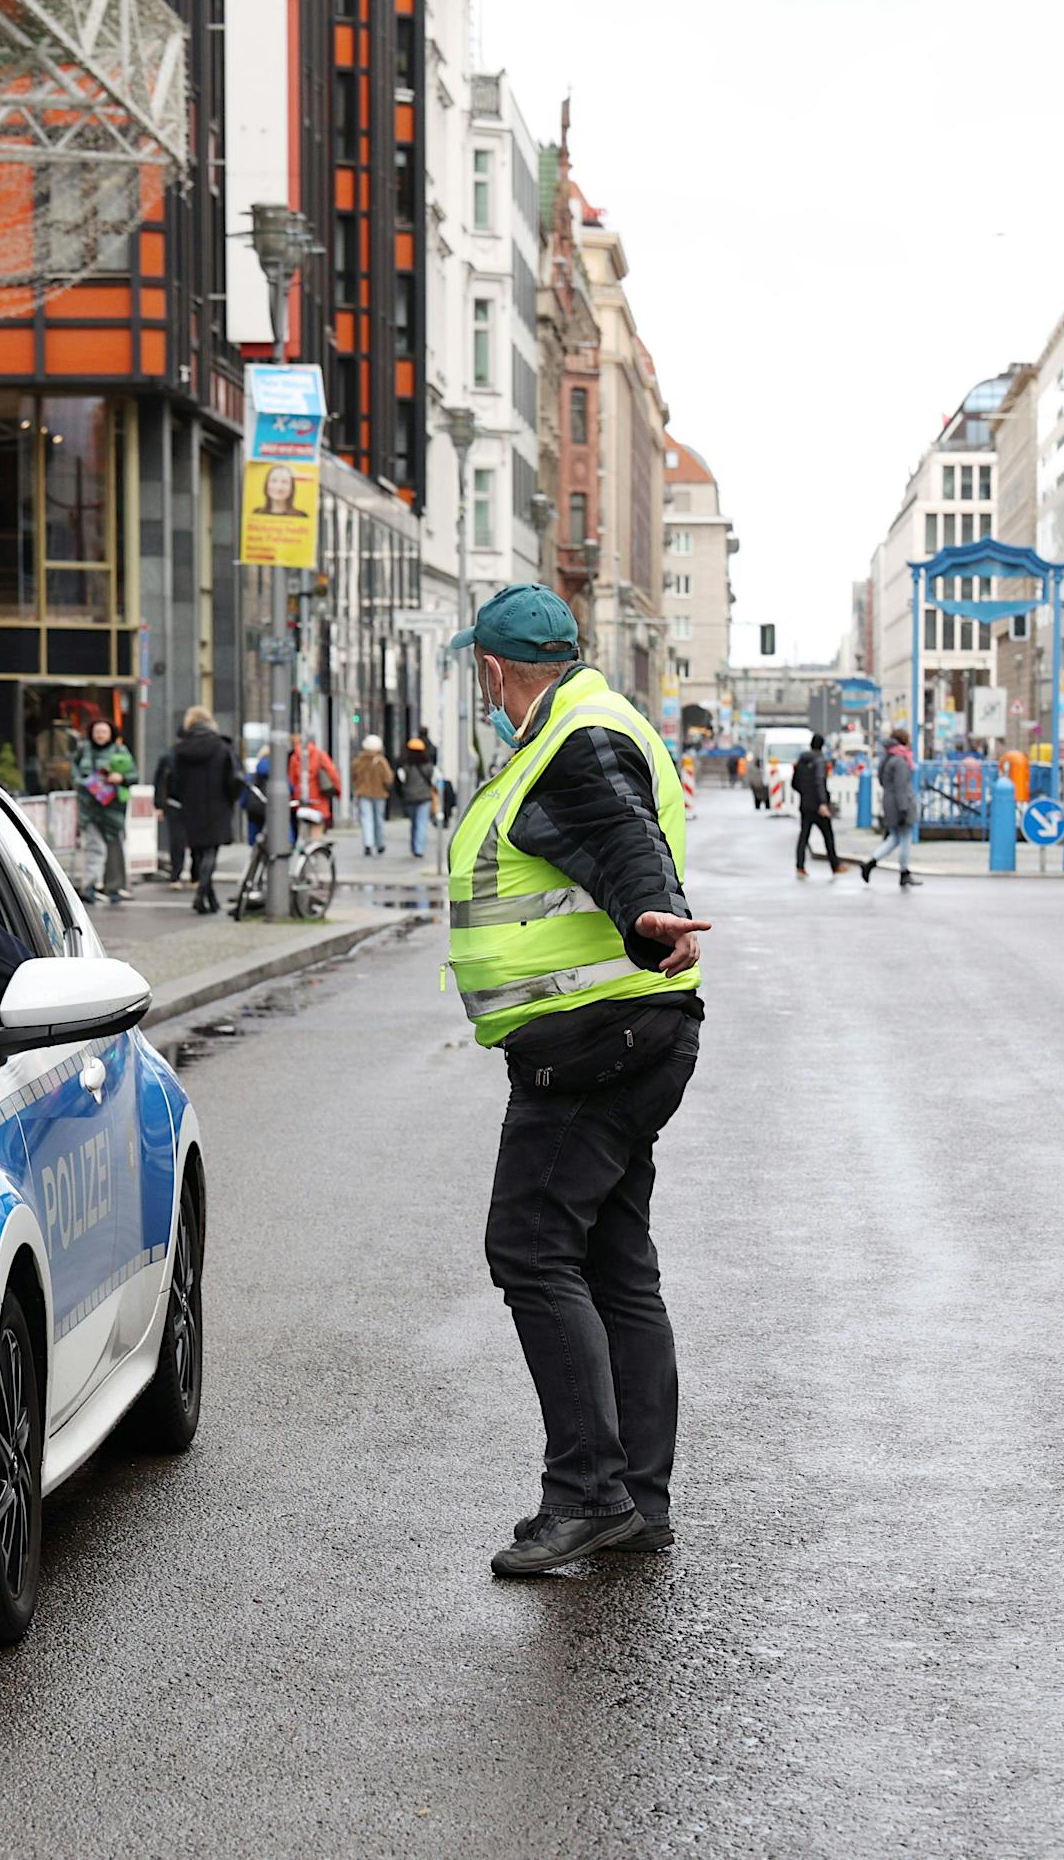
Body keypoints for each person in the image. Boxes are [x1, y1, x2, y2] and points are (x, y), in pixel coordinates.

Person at [442, 582, 710, 1578]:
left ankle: (588, 1495)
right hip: (626, 1033)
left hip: (592, 1044)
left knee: (529, 1248)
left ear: (491, 669)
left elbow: (623, 837)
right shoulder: (584, 723)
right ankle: (634, 1500)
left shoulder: (576, 739)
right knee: (614, 1263)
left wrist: (649, 911)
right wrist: (646, 916)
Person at [168, 705, 243, 915]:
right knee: (211, 850)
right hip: (218, 805)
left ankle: (210, 899)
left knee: (199, 851)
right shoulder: (222, 747)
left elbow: (174, 779)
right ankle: (201, 893)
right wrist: (231, 799)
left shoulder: (181, 749)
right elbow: (234, 778)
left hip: (191, 805)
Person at [73, 717, 137, 905]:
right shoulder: (83, 750)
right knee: (94, 847)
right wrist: (83, 782)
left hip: (113, 807)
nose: (100, 735)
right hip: (90, 807)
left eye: (104, 732)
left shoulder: (120, 751)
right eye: (97, 731)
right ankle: (89, 886)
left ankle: (114, 887)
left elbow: (134, 775)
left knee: (115, 847)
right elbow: (75, 771)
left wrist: (121, 778)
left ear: (111, 734)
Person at [860, 728, 920, 887]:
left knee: (894, 839)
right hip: (900, 803)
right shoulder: (900, 761)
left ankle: (870, 864)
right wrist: (904, 808)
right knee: (905, 839)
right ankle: (904, 872)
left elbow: (882, 780)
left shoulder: (887, 758)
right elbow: (901, 787)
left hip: (889, 802)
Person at [791, 734, 850, 879]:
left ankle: (800, 867)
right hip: (818, 805)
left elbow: (794, 783)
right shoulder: (820, 761)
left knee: (804, 836)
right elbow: (819, 782)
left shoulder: (802, 760)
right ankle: (835, 865)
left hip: (805, 804)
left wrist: (805, 794)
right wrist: (823, 803)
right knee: (828, 835)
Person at [152, 723, 188, 884]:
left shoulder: (197, 757)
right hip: (174, 803)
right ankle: (176, 874)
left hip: (193, 804)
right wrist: (159, 805)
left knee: (192, 842)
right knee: (177, 841)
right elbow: (160, 782)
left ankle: (193, 875)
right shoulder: (168, 758)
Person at [351, 734, 394, 855]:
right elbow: (388, 778)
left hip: (363, 793)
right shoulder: (381, 761)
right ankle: (380, 843)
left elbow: (354, 776)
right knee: (378, 819)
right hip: (379, 794)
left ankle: (368, 844)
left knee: (366, 818)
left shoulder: (358, 761)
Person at [288, 733, 341, 830]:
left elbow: (291, 780)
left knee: (302, 827)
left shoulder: (294, 757)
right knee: (317, 829)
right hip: (318, 798)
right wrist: (338, 791)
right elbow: (332, 774)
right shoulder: (320, 755)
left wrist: (293, 797)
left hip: (301, 799)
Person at [395, 737, 438, 857]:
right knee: (421, 823)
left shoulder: (404, 767)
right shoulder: (429, 766)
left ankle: (415, 847)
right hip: (425, 798)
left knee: (414, 823)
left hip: (409, 798)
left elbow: (400, 782)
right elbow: (434, 780)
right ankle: (419, 849)